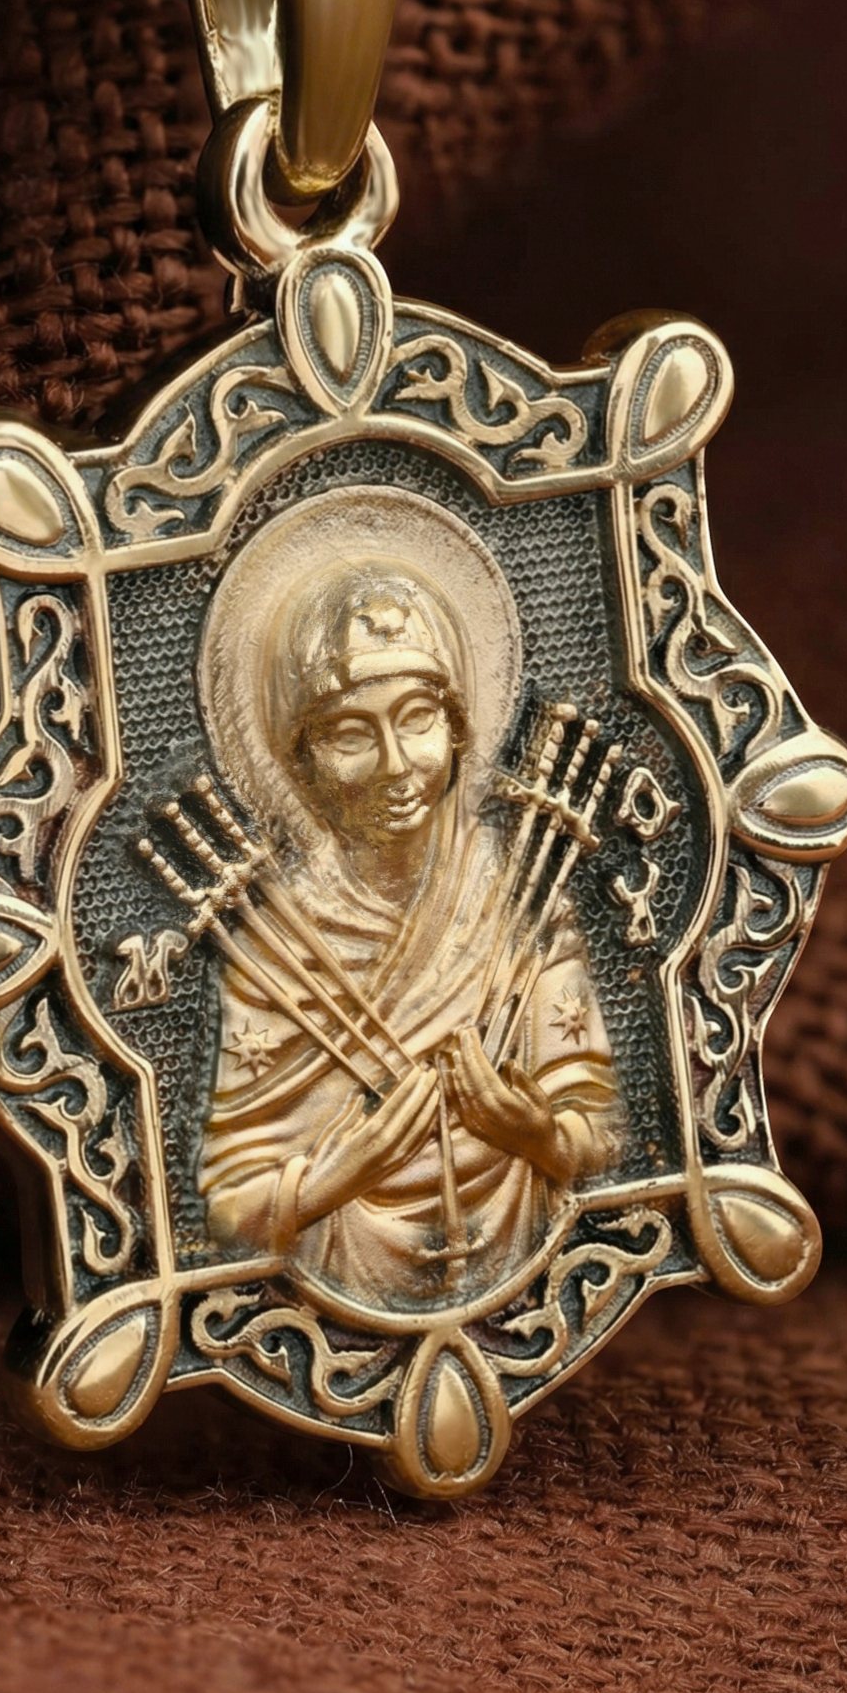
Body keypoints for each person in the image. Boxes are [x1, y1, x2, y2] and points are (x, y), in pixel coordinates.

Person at [198, 554, 619, 1308]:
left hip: (526, 1263)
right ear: (300, 762)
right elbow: (224, 1216)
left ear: (457, 731)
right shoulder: (273, 945)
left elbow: (604, 1139)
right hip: (337, 1281)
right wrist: (333, 1177)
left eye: (418, 719)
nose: (396, 765)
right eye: (350, 734)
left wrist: (537, 1137)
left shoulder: (521, 894)